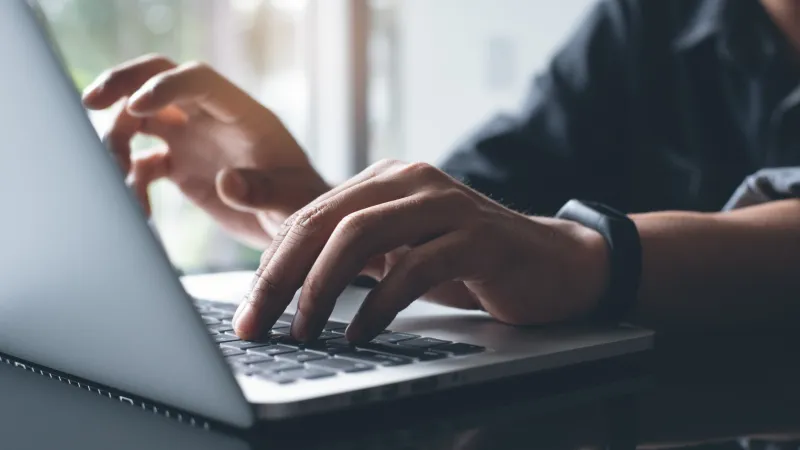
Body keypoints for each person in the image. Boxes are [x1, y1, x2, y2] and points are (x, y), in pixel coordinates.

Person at [82, 0, 800, 343]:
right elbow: (475, 215)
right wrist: (309, 205)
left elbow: (531, 248)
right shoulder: (649, 20)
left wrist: (583, 255)